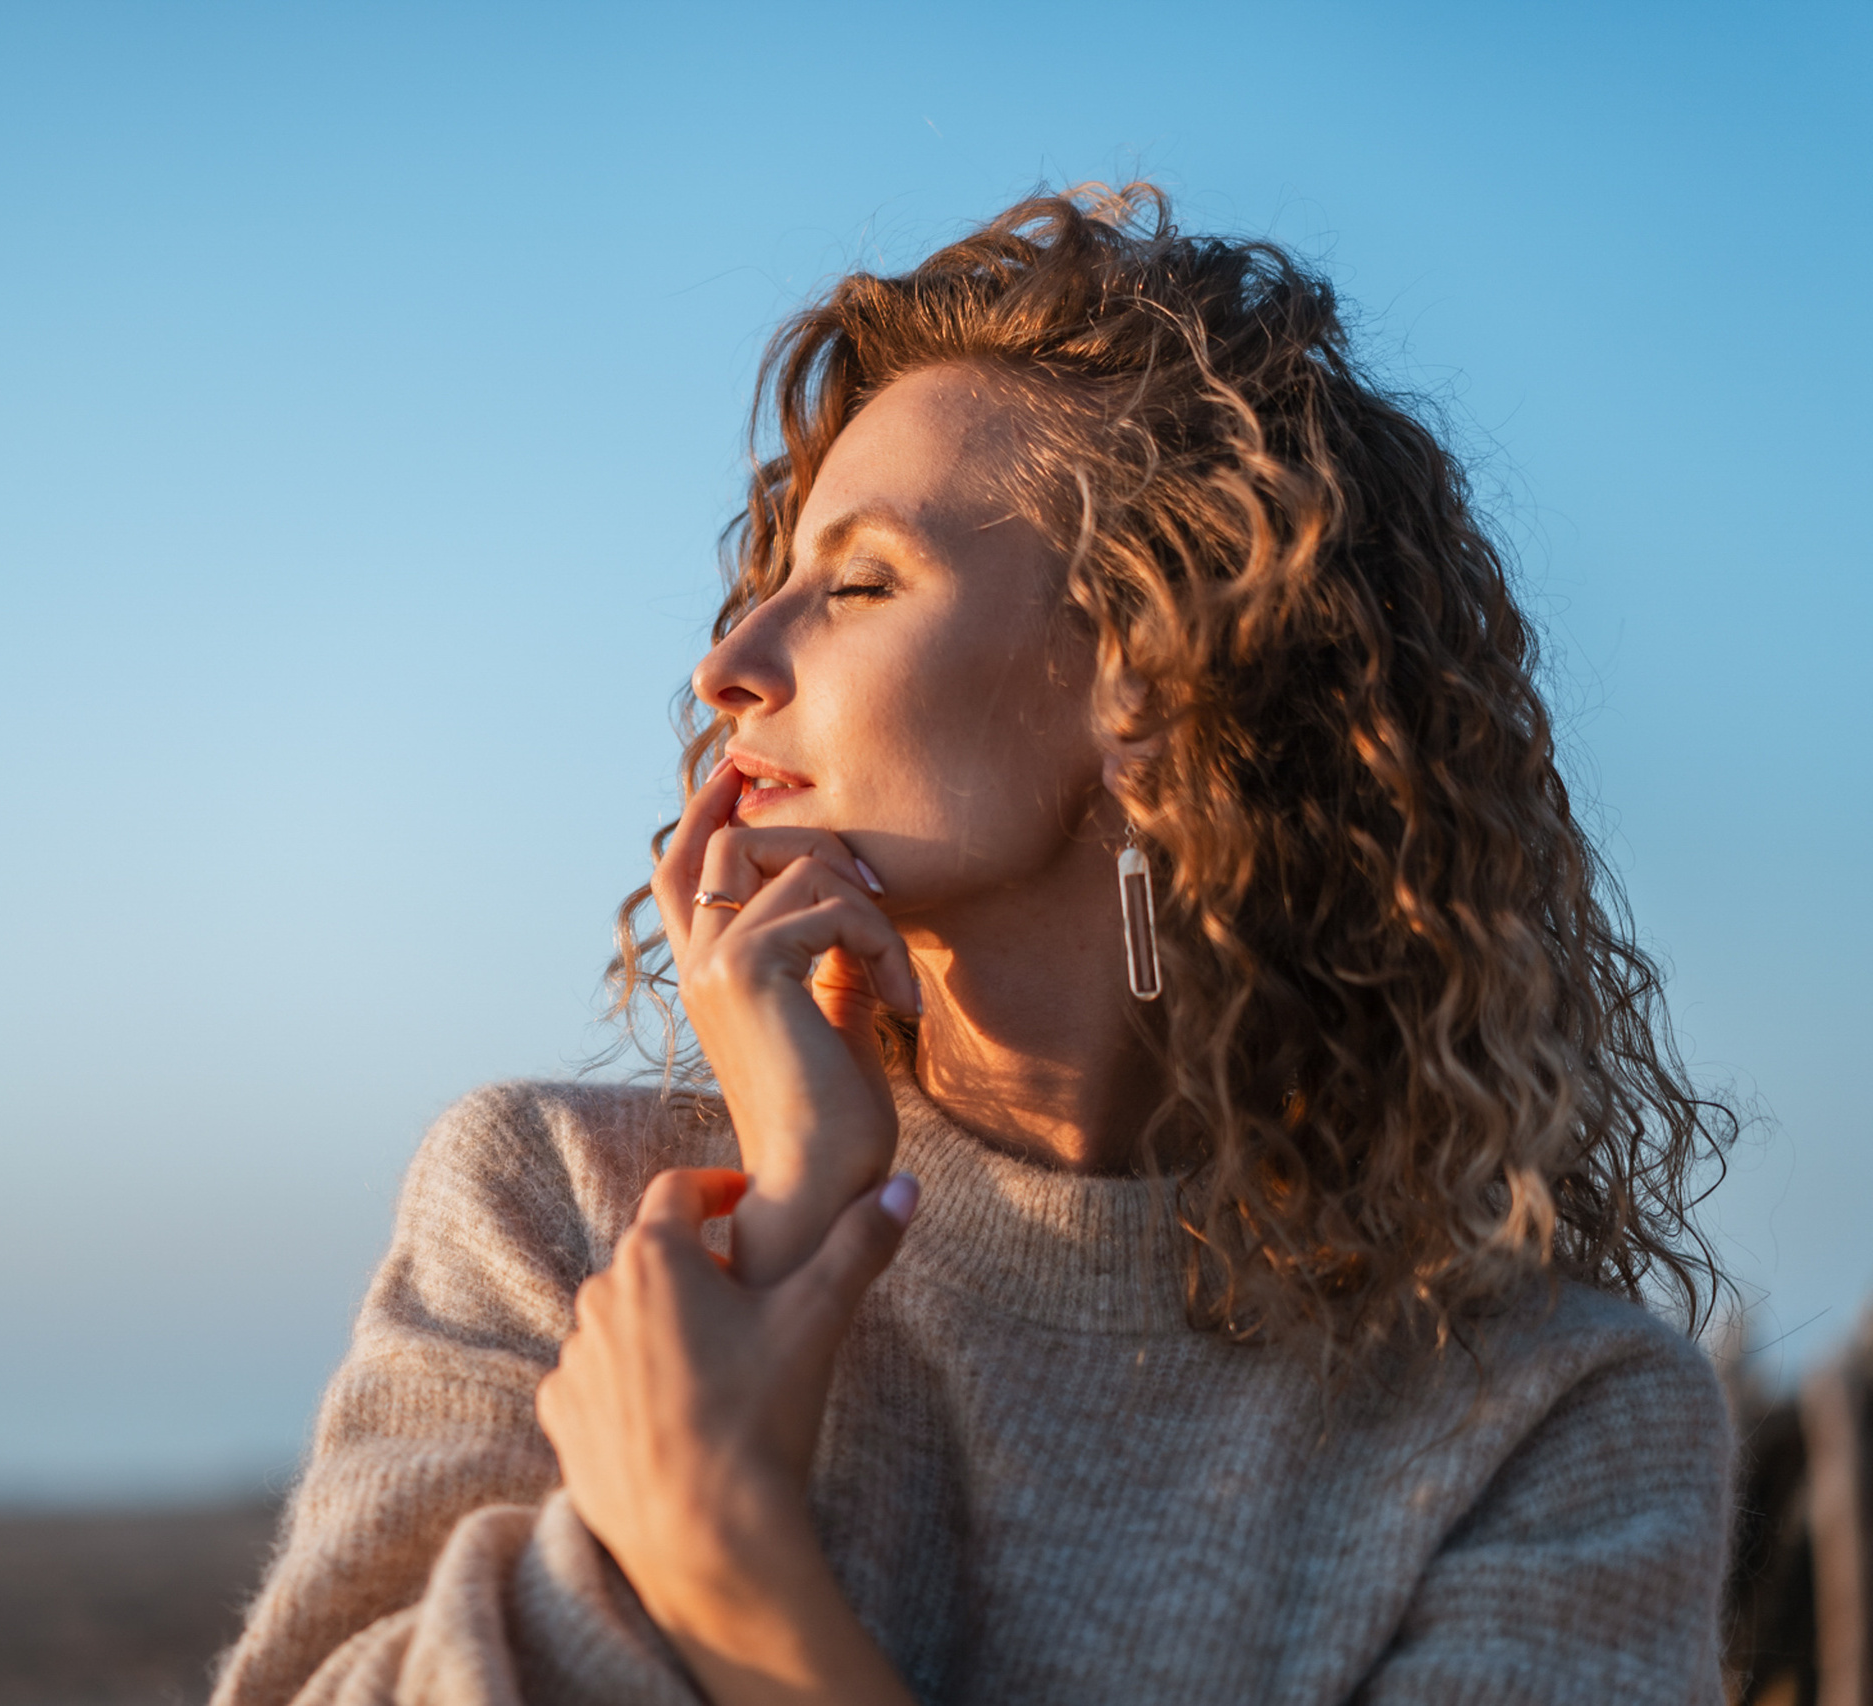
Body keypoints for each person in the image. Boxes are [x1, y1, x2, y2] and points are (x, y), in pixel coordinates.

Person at [207, 185, 1737, 1706]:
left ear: (1150, 675)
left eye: (859, 583)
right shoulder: (558, 1209)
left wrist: (731, 1571)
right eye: (768, 586)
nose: (727, 664)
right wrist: (785, 1212)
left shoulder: (1550, 1421)